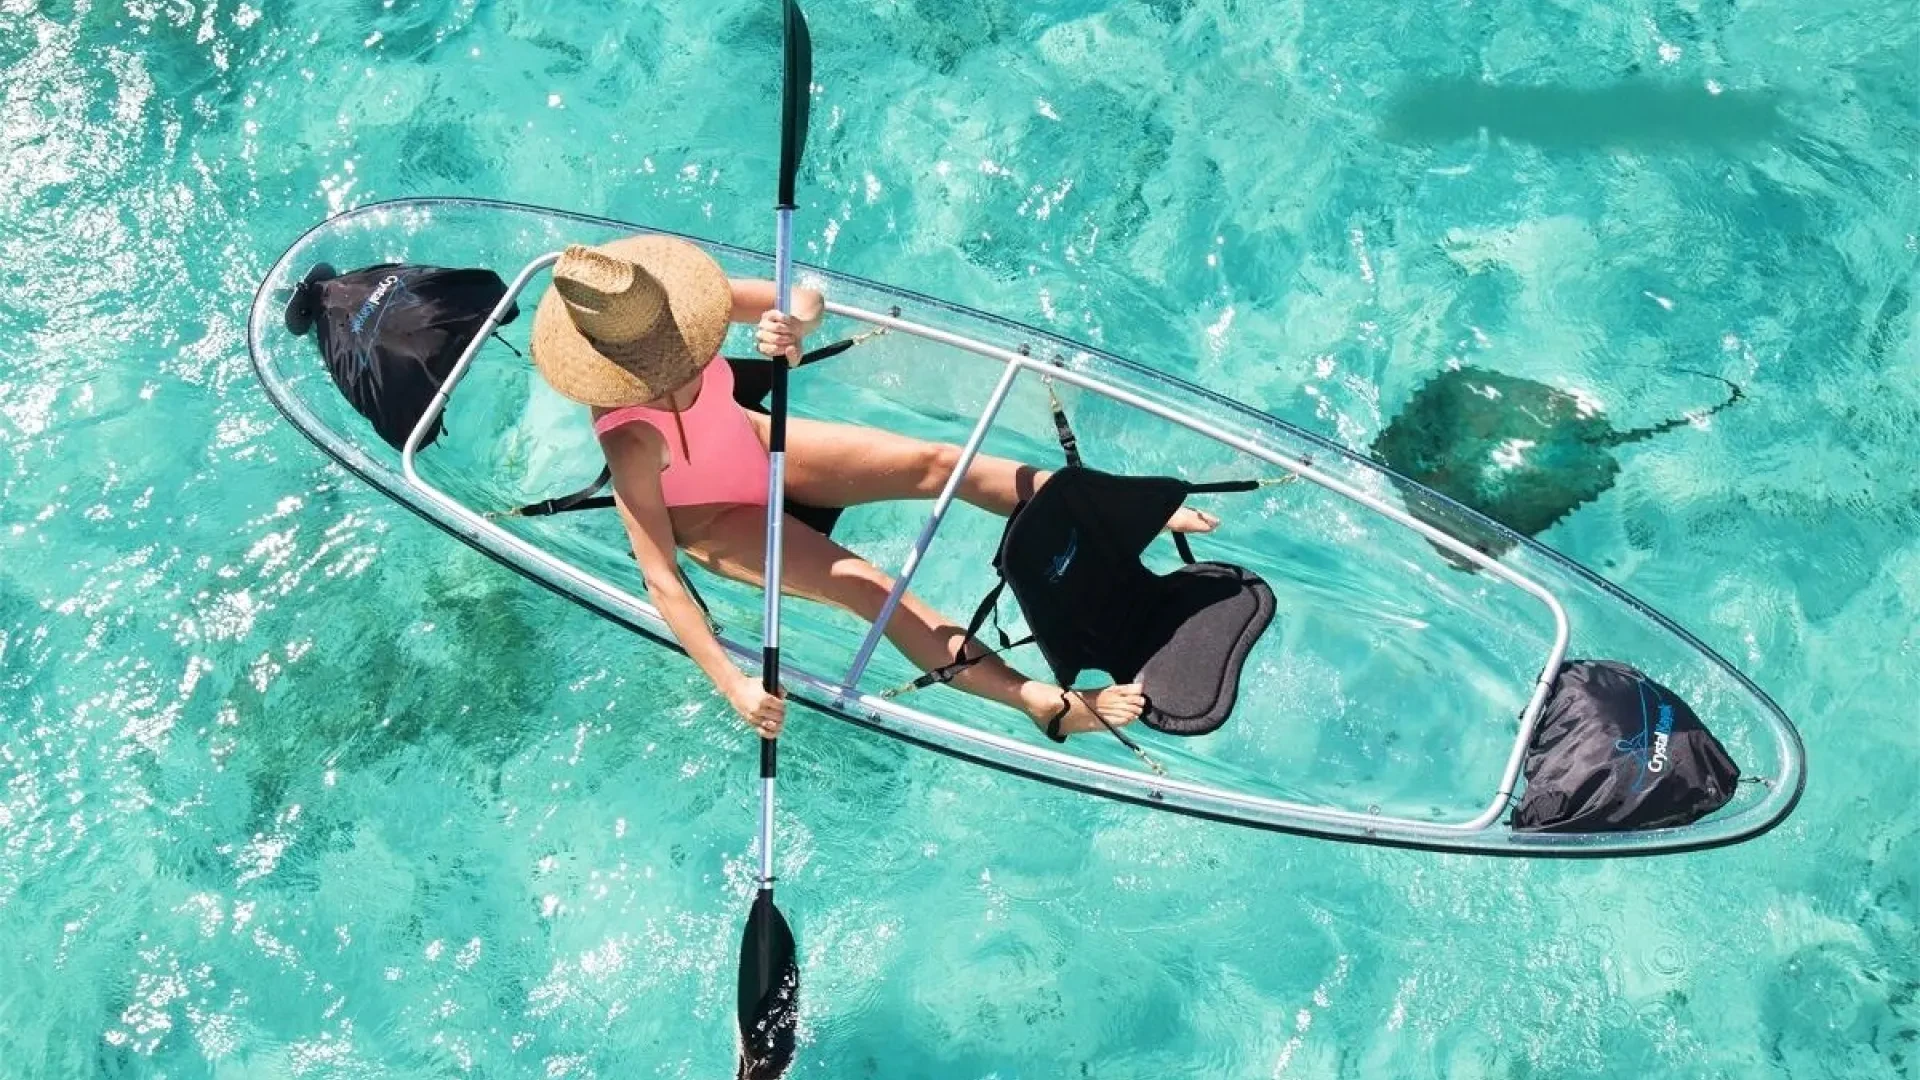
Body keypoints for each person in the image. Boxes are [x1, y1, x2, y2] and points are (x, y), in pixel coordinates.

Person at [527, 235, 1219, 741]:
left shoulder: (684, 309)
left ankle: (1114, 510)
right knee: (865, 584)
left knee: (936, 461)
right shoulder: (629, 440)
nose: (686, 351)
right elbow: (660, 577)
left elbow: (804, 295)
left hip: (757, 441)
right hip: (715, 517)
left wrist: (794, 325)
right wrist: (732, 684)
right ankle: (1042, 703)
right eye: (664, 356)